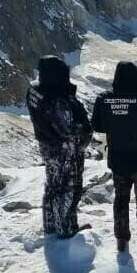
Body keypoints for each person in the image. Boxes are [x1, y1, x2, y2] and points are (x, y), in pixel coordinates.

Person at [91, 62, 137, 254]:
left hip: (119, 160)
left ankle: (122, 241)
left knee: (121, 200)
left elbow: (97, 126)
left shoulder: (103, 99)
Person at [27, 56, 92, 239]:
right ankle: (66, 229)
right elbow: (69, 129)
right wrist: (85, 128)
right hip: (64, 149)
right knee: (69, 187)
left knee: (53, 185)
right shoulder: (57, 100)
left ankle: (50, 225)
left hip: (47, 145)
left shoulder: (35, 90)